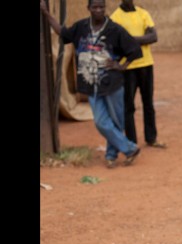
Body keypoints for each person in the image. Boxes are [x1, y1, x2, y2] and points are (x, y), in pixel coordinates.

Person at [40, 0, 142, 168]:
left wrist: (121, 65)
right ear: (88, 9)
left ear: (105, 8)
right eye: (94, 7)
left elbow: (134, 50)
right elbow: (62, 32)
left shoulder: (114, 30)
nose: (98, 10)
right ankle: (130, 148)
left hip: (112, 83)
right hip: (90, 83)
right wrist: (46, 14)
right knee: (101, 122)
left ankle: (111, 155)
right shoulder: (81, 27)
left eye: (101, 7)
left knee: (116, 123)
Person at [110, 0, 166, 149]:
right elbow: (118, 42)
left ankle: (151, 138)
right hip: (128, 67)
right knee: (128, 106)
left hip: (146, 64)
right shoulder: (116, 17)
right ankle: (132, 142)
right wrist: (142, 39)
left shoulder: (143, 13)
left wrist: (130, 40)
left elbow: (154, 37)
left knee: (148, 103)